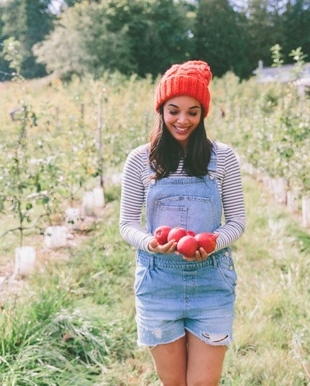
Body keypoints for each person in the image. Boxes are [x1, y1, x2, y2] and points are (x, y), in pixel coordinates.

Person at [119, 60, 246, 385]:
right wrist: (150, 242)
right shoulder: (139, 160)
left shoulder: (224, 158)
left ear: (203, 114)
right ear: (161, 109)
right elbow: (127, 223)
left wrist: (212, 241)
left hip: (211, 284)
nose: (182, 120)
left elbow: (237, 222)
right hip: (158, 284)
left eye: (193, 111)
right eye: (174, 110)